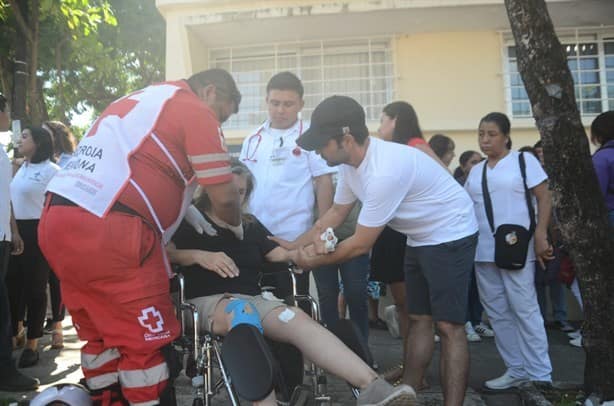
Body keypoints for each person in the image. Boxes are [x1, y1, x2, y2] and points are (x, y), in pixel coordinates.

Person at [38, 68, 243, 405]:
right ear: (211, 92)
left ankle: (107, 399)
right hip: (113, 229)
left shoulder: (138, 99)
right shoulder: (193, 108)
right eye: (222, 114)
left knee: (99, 339)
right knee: (148, 351)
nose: (219, 123)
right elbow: (226, 196)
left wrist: (180, 203)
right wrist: (235, 225)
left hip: (58, 219)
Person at [275, 95, 479, 406]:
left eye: (322, 144)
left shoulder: (384, 171)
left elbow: (359, 244)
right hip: (419, 236)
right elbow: (334, 214)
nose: (317, 151)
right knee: (419, 317)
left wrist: (310, 260)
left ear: (346, 139)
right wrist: (294, 244)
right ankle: (408, 389)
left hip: (451, 232)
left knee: (449, 326)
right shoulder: (349, 165)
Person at [168, 161, 416, 406]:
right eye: (230, 190)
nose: (234, 197)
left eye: (241, 191)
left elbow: (281, 254)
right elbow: (163, 253)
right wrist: (199, 255)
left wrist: (312, 252)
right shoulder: (187, 219)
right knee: (242, 313)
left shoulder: (250, 224)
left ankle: (373, 387)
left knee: (296, 318)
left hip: (254, 301)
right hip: (206, 301)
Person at [238, 72, 339, 321]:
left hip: (294, 240)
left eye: (288, 104)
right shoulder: (252, 140)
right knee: (254, 306)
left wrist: (322, 231)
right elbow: (240, 185)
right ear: (266, 101)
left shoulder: (310, 139)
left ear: (301, 105)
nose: (280, 110)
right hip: (253, 238)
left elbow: (323, 182)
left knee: (293, 310)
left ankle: (294, 360)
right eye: (275, 103)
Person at [464, 112, 554, 390]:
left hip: (516, 248)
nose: (485, 140)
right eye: (481, 134)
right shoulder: (476, 171)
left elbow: (544, 196)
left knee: (524, 308)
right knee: (498, 312)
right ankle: (516, 369)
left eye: (491, 134)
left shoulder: (523, 162)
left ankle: (540, 374)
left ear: (505, 136)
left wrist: (540, 234)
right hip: (483, 252)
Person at [6, 126, 60, 367]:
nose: (20, 140)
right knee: (12, 285)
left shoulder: (53, 171)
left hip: (40, 231)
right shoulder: (20, 168)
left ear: (38, 143)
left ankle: (33, 343)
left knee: (36, 289)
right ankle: (15, 332)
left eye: (25, 136)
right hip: (15, 232)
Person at [0, 93, 39, 391]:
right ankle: (6, 372)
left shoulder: (1, 150)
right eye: (6, 111)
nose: (9, 117)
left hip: (3, 237)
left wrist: (12, 230)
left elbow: (5, 198)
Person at [41, 120, 77, 349]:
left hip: (66, 225)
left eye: (46, 134)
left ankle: (58, 326)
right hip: (42, 222)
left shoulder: (69, 162)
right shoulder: (39, 162)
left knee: (57, 278)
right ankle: (48, 319)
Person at [452, 150, 494, 342]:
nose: (477, 165)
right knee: (465, 284)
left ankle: (477, 321)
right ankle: (466, 322)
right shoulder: (456, 187)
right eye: (473, 162)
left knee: (479, 286)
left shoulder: (487, 184)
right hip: (463, 241)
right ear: (463, 166)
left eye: (480, 161)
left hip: (483, 242)